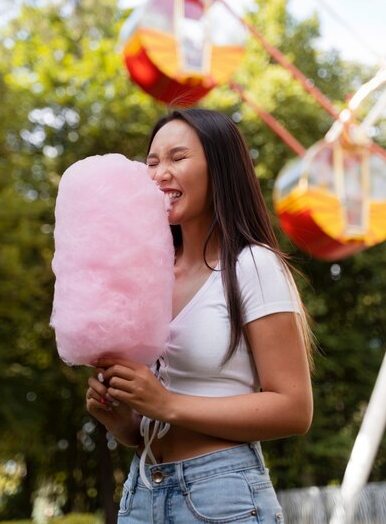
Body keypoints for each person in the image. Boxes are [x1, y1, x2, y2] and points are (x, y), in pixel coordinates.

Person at [86, 108, 314, 523]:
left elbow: (294, 409)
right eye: (152, 162)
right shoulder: (145, 275)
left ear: (219, 169)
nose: (158, 174)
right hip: (140, 493)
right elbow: (148, 423)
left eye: (177, 158)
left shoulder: (253, 266)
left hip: (221, 496)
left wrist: (167, 403)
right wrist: (124, 423)